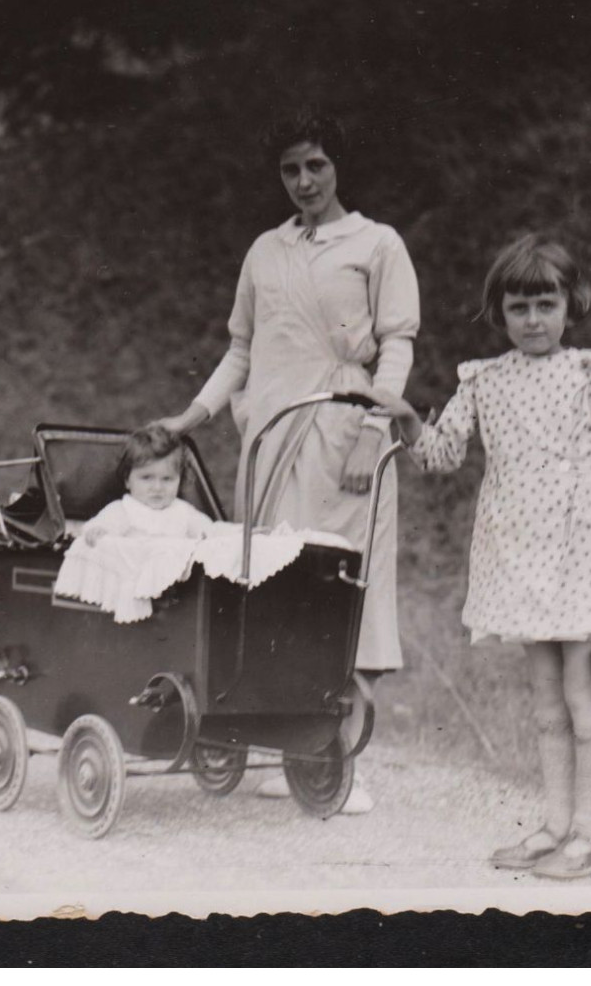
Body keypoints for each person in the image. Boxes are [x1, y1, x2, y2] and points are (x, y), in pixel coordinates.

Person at [157, 111, 421, 814]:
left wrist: (374, 428)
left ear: (338, 167)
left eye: (316, 166)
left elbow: (396, 344)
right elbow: (242, 350)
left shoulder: (376, 243)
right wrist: (193, 415)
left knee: (343, 589)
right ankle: (286, 742)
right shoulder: (264, 251)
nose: (304, 182)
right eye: (290, 170)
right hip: (271, 436)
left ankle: (340, 755)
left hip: (345, 440)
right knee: (273, 585)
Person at [369, 235, 591, 878]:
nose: (532, 320)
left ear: (569, 304)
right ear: (500, 312)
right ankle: (553, 825)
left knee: (583, 691)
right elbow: (441, 456)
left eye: (545, 304)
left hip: (583, 554)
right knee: (545, 696)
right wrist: (409, 420)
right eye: (519, 307)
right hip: (516, 554)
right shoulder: (484, 381)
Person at [83, 425, 215, 546]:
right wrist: (98, 532)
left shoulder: (182, 511)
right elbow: (100, 527)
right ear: (127, 480)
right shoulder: (123, 510)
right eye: (147, 478)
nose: (157, 488)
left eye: (167, 479)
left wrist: (207, 537)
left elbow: (210, 532)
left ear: (179, 480)